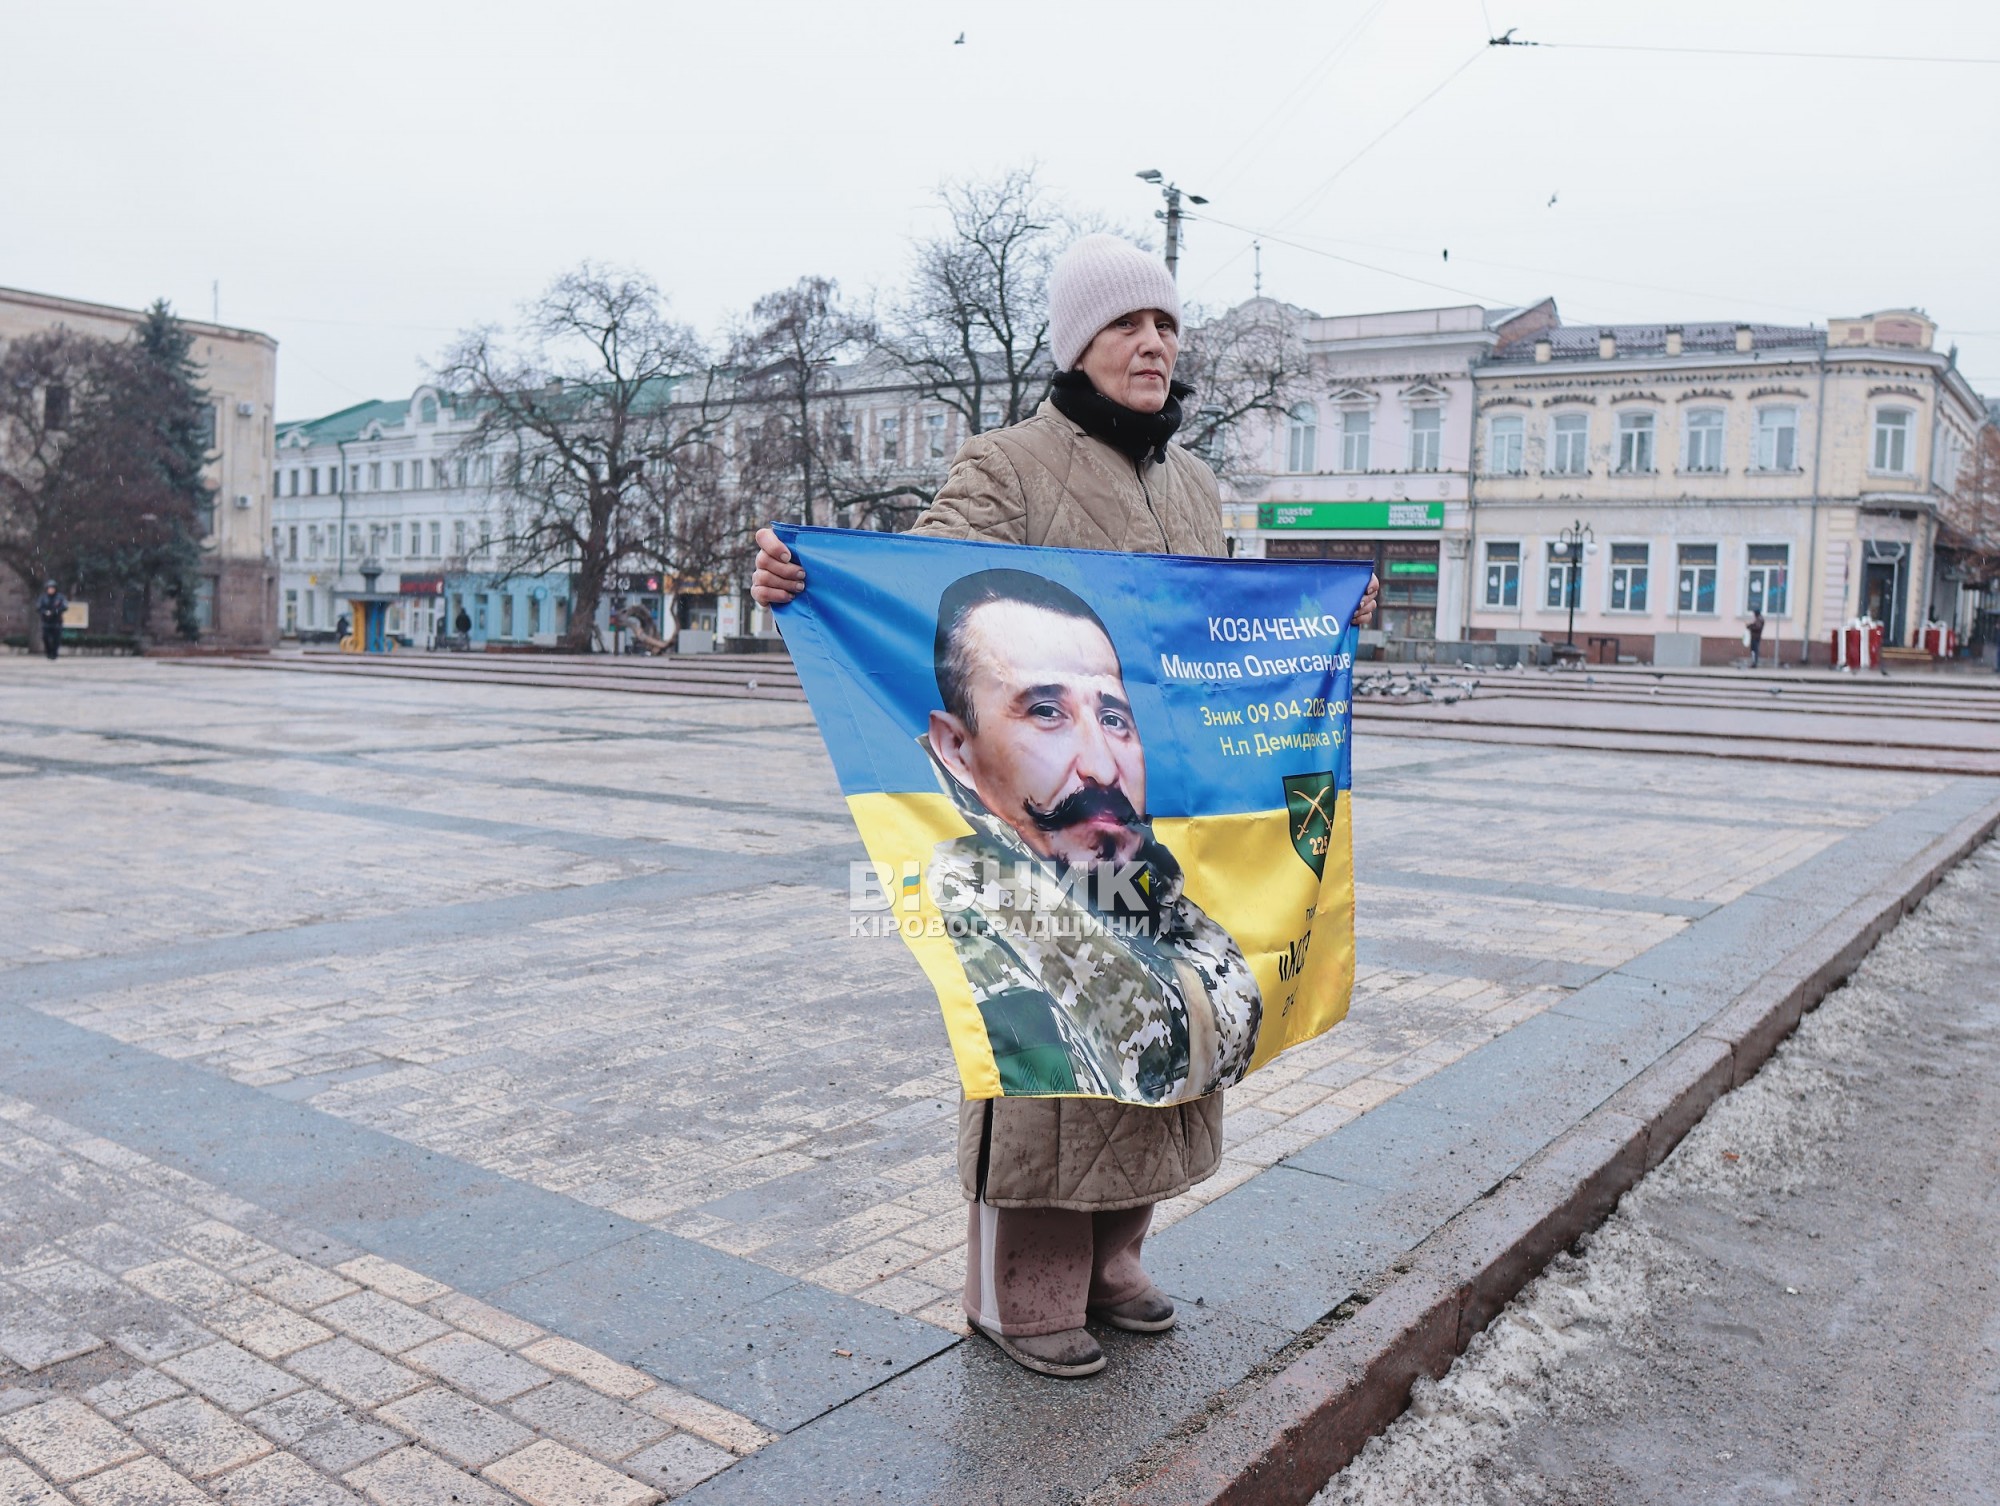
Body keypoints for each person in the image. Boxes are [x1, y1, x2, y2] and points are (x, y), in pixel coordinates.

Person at [753, 234, 1379, 1380]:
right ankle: (1020, 1292)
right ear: (1077, 344)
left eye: (1166, 325)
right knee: (1045, 1050)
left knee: (1168, 1027)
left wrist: (1315, 612)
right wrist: (811, 583)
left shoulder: (1191, 484)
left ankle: (1114, 1258)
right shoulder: (1009, 466)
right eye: (1125, 324)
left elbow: (1209, 637)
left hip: (1151, 813)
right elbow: (919, 595)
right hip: (1035, 834)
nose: (1152, 343)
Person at [924, 567, 1262, 1104]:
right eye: (1046, 712)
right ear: (957, 748)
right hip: (1046, 1166)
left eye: (1114, 718)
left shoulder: (1162, 894)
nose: (1104, 768)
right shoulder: (965, 909)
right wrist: (806, 588)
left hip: (1171, 1153)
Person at [35, 581, 68, 660]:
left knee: (56, 639)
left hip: (57, 621)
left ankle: (54, 653)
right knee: (45, 638)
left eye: (52, 588)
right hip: (46, 621)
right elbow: (38, 607)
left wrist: (55, 612)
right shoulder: (43, 597)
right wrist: (45, 612)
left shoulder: (60, 597)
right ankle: (48, 652)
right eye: (49, 588)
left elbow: (65, 607)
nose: (51, 590)